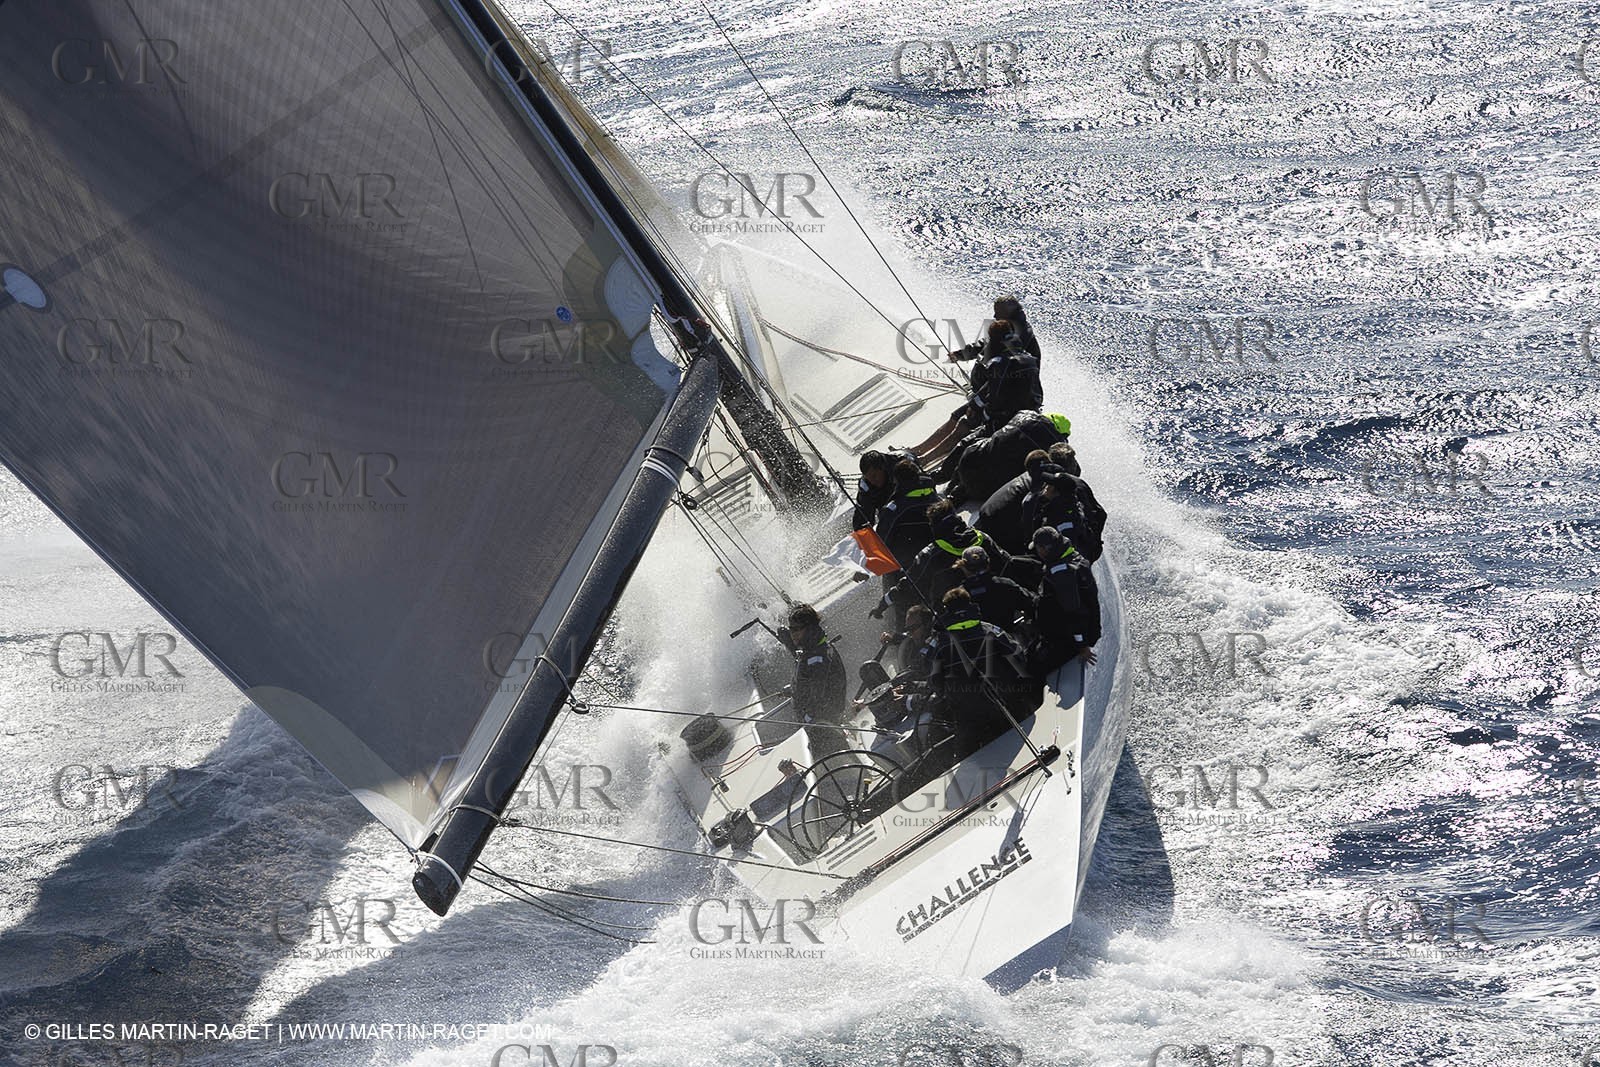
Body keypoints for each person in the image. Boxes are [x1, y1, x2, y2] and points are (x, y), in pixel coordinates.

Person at [925, 588, 1036, 757]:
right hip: (1005, 704)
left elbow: (934, 679)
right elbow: (1017, 655)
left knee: (967, 757)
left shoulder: (939, 643)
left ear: (946, 609)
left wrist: (949, 695)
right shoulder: (989, 629)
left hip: (967, 715)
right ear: (970, 603)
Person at [875, 500, 1009, 618]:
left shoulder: (929, 555)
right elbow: (1007, 563)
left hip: (953, 620)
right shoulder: (983, 538)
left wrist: (885, 601)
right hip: (999, 606)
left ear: (934, 527)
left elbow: (909, 587)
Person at [777, 603, 850, 764]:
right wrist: (794, 689)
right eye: (791, 629)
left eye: (797, 629)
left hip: (823, 725)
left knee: (828, 761)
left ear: (809, 628)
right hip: (824, 722)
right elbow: (810, 682)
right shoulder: (815, 648)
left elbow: (817, 696)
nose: (792, 634)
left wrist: (808, 718)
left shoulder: (817, 658)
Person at [951, 409, 1071, 502]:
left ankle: (954, 487)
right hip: (987, 491)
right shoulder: (1051, 447)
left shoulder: (1022, 414)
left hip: (967, 464)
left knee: (989, 443)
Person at [1027, 527, 1100, 676]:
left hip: (1069, 637)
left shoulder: (1062, 574)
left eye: (1038, 549)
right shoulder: (1070, 555)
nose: (1037, 552)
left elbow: (1075, 613)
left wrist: (1082, 645)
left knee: (1032, 666)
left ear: (1044, 549)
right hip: (1064, 624)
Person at [1023, 463, 1105, 562]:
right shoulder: (1055, 508)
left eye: (1049, 485)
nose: (1046, 487)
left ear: (1057, 492)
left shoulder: (1065, 518)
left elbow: (1069, 548)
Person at [954, 545, 1036, 634]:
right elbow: (1032, 603)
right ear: (988, 562)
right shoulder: (1005, 584)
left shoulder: (958, 595)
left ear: (963, 567)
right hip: (1007, 639)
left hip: (973, 641)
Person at [874, 458, 938, 565]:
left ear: (897, 481)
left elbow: (881, 538)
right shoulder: (934, 495)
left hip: (910, 560)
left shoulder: (894, 508)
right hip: (937, 548)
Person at [949, 296, 1042, 363]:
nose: (995, 316)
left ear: (1006, 313)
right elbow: (987, 343)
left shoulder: (1020, 333)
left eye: (997, 312)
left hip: (1016, 380)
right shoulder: (1012, 326)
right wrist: (960, 354)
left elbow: (993, 349)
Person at [852, 447, 916, 530]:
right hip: (891, 517)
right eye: (869, 478)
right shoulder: (866, 486)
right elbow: (862, 516)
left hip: (913, 506)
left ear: (883, 468)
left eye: (874, 476)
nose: (872, 482)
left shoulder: (901, 465)